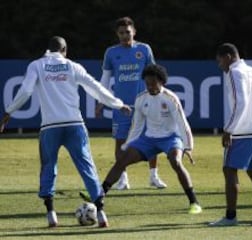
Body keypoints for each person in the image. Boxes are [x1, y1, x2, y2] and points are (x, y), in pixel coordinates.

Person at [0, 36, 132, 228]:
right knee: (87, 169)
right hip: (75, 125)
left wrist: (8, 113)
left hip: (50, 127)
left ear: (48, 49)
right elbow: (95, 87)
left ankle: (51, 215)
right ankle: (102, 215)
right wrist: (118, 104)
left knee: (49, 168)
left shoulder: (36, 65)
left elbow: (26, 91)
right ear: (65, 50)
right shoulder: (72, 66)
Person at [100, 64, 202, 214]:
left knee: (176, 162)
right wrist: (127, 144)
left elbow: (182, 123)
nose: (150, 86)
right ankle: (99, 195)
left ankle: (194, 202)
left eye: (153, 83)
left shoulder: (170, 98)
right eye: (147, 83)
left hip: (171, 138)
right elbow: (137, 125)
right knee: (121, 160)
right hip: (149, 139)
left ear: (161, 81)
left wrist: (188, 146)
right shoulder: (141, 99)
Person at [95, 16, 166, 190]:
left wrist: (160, 94)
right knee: (121, 141)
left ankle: (153, 176)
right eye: (121, 33)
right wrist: (101, 100)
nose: (125, 36)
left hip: (146, 103)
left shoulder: (144, 49)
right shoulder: (111, 53)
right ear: (117, 34)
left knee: (153, 138)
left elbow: (154, 73)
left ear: (134, 31)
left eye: (128, 32)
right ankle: (122, 178)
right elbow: (105, 77)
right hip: (121, 105)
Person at [209, 43, 252, 227]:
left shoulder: (234, 72)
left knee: (229, 170)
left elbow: (240, 103)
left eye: (219, 60)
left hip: (242, 131)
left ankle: (230, 216)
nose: (219, 64)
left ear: (228, 56)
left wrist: (229, 129)